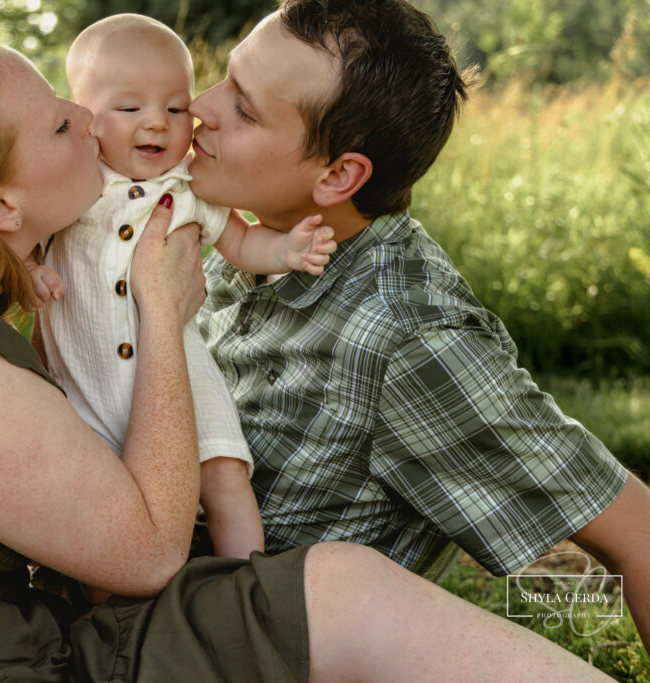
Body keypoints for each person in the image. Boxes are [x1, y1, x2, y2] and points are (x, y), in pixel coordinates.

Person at [0, 27, 615, 683]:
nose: (98, 125)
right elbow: (143, 550)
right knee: (339, 586)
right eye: (61, 122)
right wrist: (158, 310)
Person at [191, 0, 650, 646]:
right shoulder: (240, 238)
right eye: (226, 78)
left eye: (243, 107)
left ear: (338, 175)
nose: (199, 108)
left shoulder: (406, 338)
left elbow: (639, 532)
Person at [32, 13, 336, 561]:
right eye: (130, 109)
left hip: (181, 376)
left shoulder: (187, 189)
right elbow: (28, 236)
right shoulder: (75, 183)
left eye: (175, 108)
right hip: (86, 382)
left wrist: (287, 251)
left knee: (224, 477)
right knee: (99, 507)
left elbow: (240, 241)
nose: (157, 124)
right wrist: (28, 269)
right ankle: (101, 617)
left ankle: (248, 579)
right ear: (83, 115)